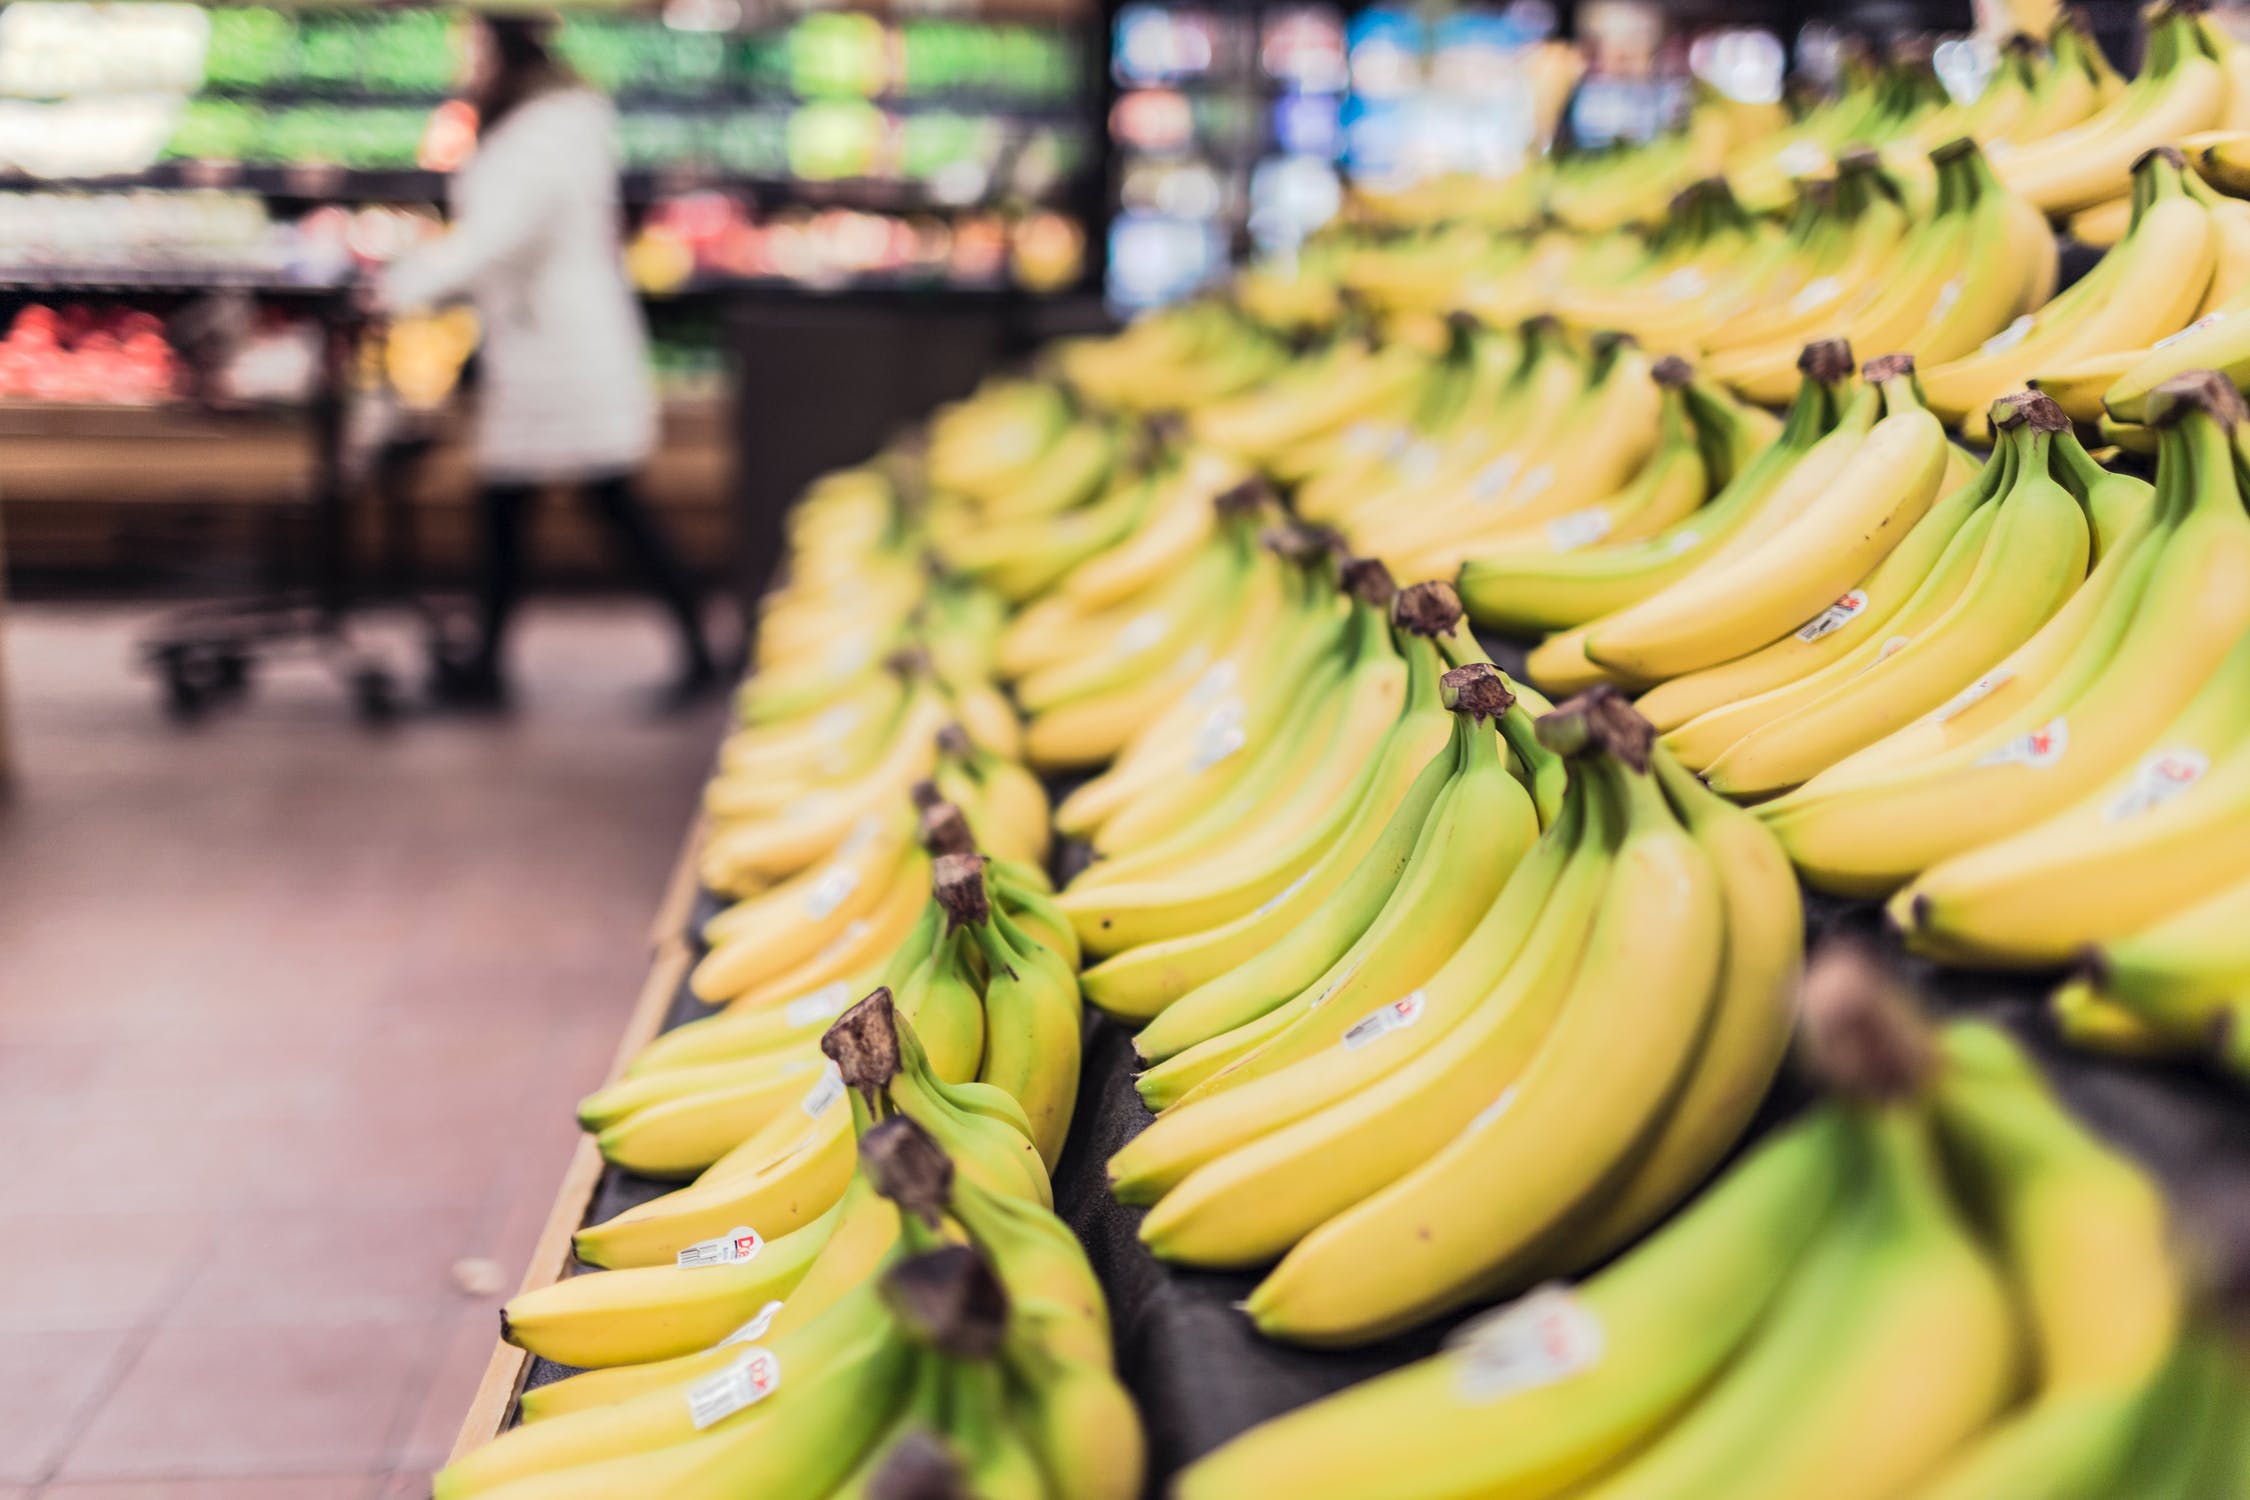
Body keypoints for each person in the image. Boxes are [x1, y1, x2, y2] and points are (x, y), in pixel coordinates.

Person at [380, 13, 718, 709]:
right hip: (541, 342)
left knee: (600, 501)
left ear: (505, 52)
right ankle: (490, 664)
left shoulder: (544, 133)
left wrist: (404, 283)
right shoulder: (550, 124)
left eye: (472, 49)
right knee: (517, 505)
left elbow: (499, 238)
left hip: (559, 347)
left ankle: (693, 646)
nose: (465, 64)